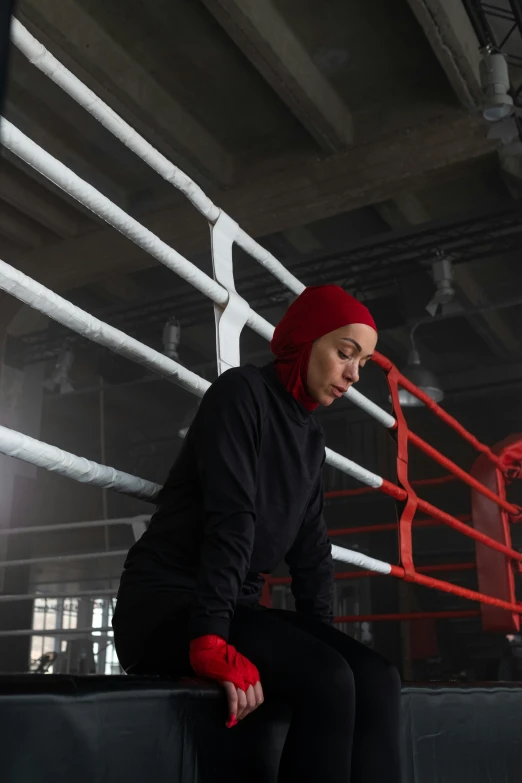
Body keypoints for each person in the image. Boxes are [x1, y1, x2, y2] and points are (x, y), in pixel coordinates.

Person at [112, 285, 402, 783]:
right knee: (327, 679)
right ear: (306, 341)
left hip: (231, 606)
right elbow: (232, 518)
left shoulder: (311, 437)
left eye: (363, 362)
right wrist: (209, 639)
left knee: (378, 679)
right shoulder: (241, 393)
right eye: (345, 354)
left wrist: (322, 635)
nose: (354, 375)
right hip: (167, 605)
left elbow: (312, 551)